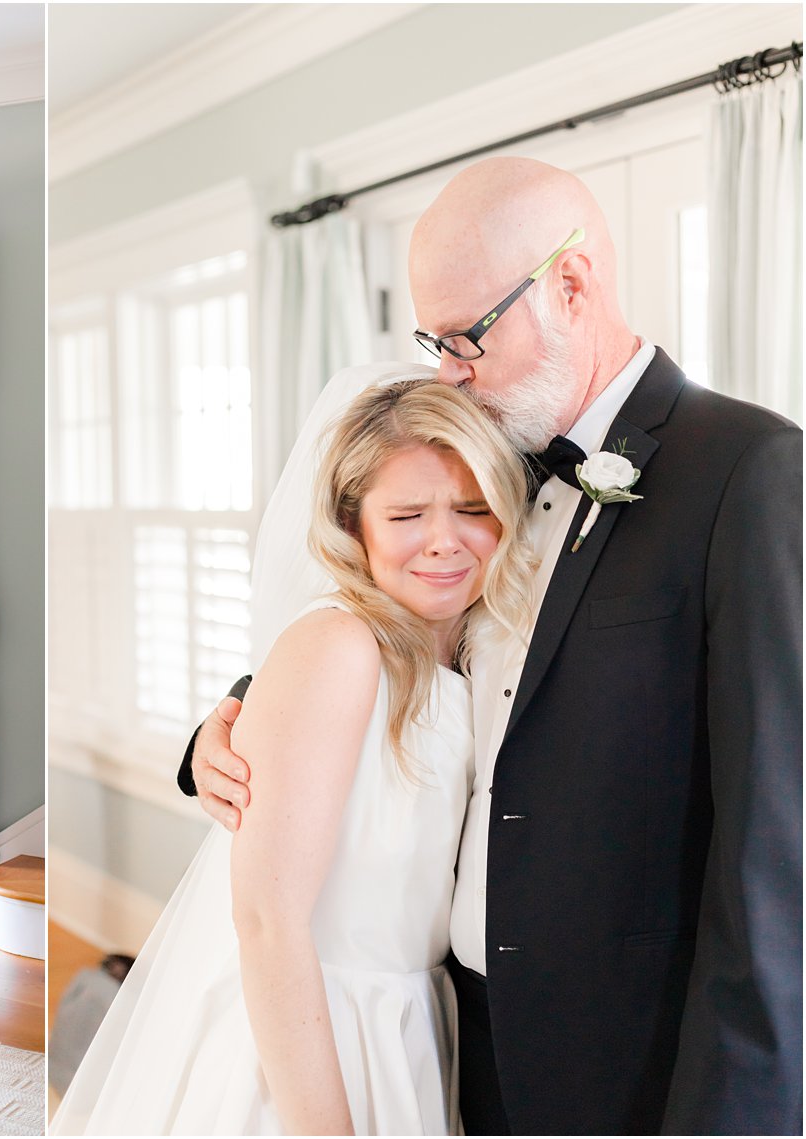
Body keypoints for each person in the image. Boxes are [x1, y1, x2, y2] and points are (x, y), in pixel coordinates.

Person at [184, 157, 803, 1134]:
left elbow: (773, 858)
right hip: (449, 1045)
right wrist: (225, 726)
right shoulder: (474, 469)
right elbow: (387, 641)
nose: (447, 370)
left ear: (569, 283)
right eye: (434, 340)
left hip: (625, 1067)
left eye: (467, 335)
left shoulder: (747, 469)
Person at [55, 379, 536, 1134]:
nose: (444, 539)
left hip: (410, 1025)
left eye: (472, 510)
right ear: (355, 526)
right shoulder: (340, 646)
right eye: (406, 515)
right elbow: (267, 919)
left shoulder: (484, 651)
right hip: (310, 1037)